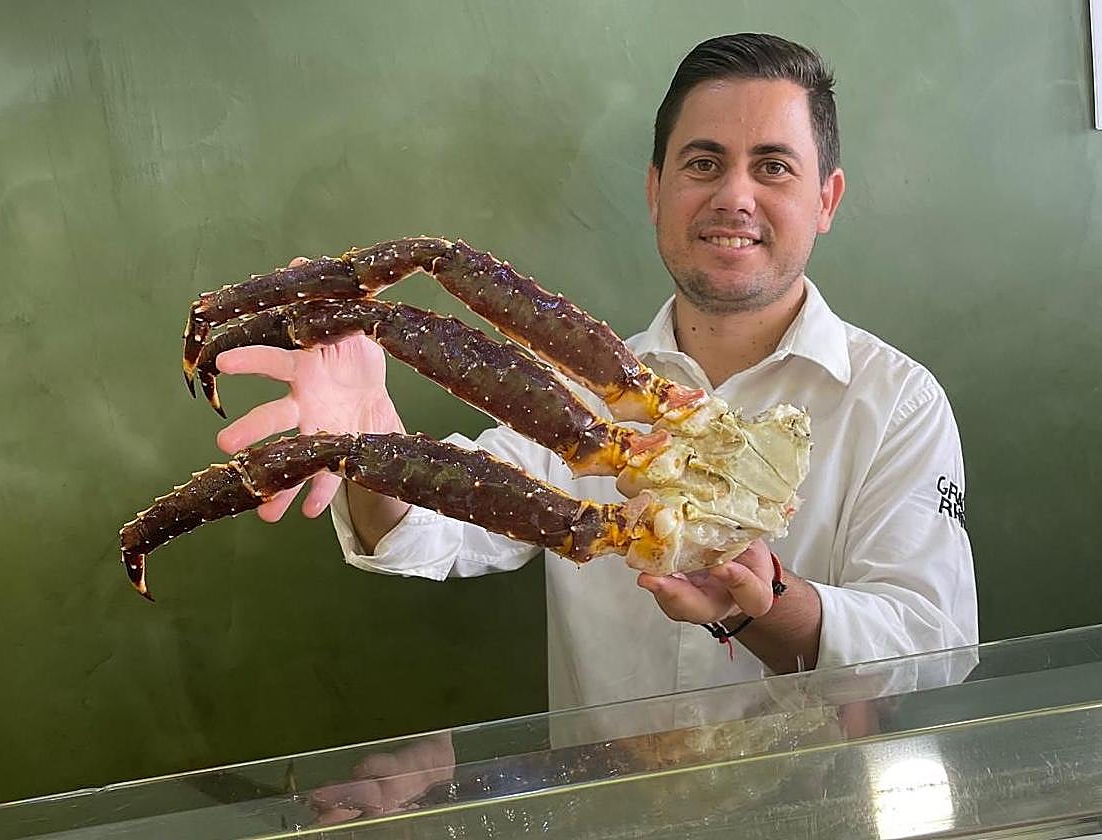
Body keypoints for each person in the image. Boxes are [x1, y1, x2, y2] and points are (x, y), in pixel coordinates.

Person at [212, 33, 978, 713]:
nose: (735, 196)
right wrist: (373, 449)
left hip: (818, 804)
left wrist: (764, 604)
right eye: (703, 163)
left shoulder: (896, 403)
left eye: (773, 167)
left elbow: (935, 647)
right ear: (655, 191)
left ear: (826, 199)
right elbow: (436, 532)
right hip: (604, 806)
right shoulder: (579, 402)